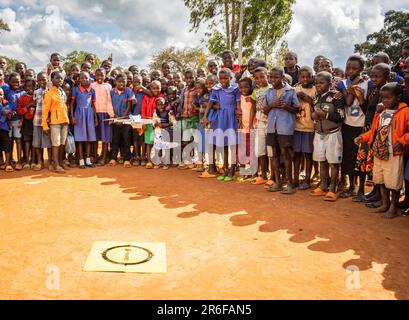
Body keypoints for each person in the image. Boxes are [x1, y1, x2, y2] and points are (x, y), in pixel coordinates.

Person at [355, 83, 409, 218]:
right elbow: (374, 131)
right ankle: (385, 203)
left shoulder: (405, 112)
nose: (384, 101)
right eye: (382, 98)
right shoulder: (381, 113)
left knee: (394, 182)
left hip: (393, 153)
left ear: (398, 97)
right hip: (378, 152)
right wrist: (362, 137)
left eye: (388, 98)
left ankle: (393, 207)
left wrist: (402, 141)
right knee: (381, 180)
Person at [355, 63, 391, 205]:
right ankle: (375, 193)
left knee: (378, 164)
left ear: (387, 77)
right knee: (368, 163)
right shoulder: (374, 90)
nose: (374, 79)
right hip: (369, 130)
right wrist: (360, 99)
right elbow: (369, 110)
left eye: (377, 76)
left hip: (379, 133)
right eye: (372, 76)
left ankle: (380, 196)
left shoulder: (386, 92)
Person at [263, 67, 300, 194]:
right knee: (274, 155)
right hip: (272, 127)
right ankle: (278, 182)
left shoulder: (291, 91)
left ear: (282, 77)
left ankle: (290, 183)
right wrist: (272, 105)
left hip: (285, 128)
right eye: (271, 77)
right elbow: (265, 110)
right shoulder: (268, 92)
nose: (272, 79)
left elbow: (297, 109)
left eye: (276, 77)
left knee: (286, 154)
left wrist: (287, 107)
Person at [310, 71, 345, 201]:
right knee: (322, 161)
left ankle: (333, 189)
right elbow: (315, 115)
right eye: (316, 83)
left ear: (330, 83)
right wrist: (314, 117)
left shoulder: (336, 96)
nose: (318, 85)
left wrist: (324, 115)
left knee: (334, 162)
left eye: (321, 83)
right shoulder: (317, 97)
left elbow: (341, 117)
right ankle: (323, 186)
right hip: (319, 133)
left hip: (333, 133)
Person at [337, 54, 368, 198]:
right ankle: (349, 186)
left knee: (359, 157)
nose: (350, 71)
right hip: (347, 125)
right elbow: (348, 102)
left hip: (361, 126)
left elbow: (366, 105)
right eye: (348, 68)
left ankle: (360, 188)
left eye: (354, 68)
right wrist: (351, 85)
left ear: (361, 68)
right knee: (347, 156)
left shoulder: (368, 84)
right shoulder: (342, 83)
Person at [204, 68, 240, 182]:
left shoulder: (235, 88)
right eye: (221, 78)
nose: (224, 80)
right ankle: (225, 169)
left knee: (233, 144)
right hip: (220, 118)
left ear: (230, 78)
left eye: (226, 78)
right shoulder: (216, 89)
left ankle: (233, 169)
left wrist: (239, 114)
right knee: (224, 144)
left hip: (232, 117)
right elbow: (210, 103)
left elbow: (238, 103)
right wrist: (205, 116)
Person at [293, 66, 317, 190]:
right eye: (302, 77)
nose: (305, 79)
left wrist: (306, 98)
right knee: (296, 155)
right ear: (298, 78)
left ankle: (307, 180)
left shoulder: (314, 90)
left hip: (309, 128)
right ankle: (295, 179)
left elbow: (317, 104)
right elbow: (291, 104)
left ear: (312, 77)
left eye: (308, 77)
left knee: (308, 155)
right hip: (296, 127)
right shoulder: (295, 88)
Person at [42, 71, 70, 173]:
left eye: (61, 78)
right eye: (57, 78)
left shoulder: (62, 92)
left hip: (65, 122)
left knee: (62, 143)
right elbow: (45, 111)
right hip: (55, 123)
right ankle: (56, 165)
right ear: (52, 79)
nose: (60, 80)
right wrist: (45, 125)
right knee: (56, 144)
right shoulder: (49, 93)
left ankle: (61, 162)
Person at [250, 67, 272, 185]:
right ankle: (263, 175)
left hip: (271, 123)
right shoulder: (255, 91)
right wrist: (250, 123)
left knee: (271, 151)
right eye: (256, 78)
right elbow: (253, 108)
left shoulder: (272, 89)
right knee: (260, 150)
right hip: (259, 123)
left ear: (267, 75)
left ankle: (273, 176)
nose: (259, 80)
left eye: (262, 77)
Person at [109, 73, 135, 168]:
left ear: (126, 82)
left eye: (123, 82)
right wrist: (116, 117)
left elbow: (129, 105)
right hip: (115, 119)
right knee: (115, 139)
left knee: (126, 139)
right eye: (119, 82)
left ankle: (127, 159)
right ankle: (113, 158)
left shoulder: (129, 91)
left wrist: (123, 118)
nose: (121, 84)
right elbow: (110, 104)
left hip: (126, 119)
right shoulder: (112, 91)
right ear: (116, 82)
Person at [91, 68, 114, 166]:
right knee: (95, 138)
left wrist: (111, 115)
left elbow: (109, 101)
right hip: (95, 114)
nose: (100, 77)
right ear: (95, 75)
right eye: (98, 75)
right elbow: (91, 101)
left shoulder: (108, 86)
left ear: (105, 76)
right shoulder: (92, 86)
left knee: (105, 139)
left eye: (102, 75)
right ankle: (95, 157)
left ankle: (104, 158)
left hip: (106, 114)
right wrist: (93, 114)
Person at [4, 72, 25, 170]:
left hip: (18, 121)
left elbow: (24, 108)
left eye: (18, 81)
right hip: (8, 121)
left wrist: (22, 120)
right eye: (13, 82)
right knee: (10, 141)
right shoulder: (7, 91)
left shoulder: (23, 93)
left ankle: (19, 161)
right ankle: (10, 161)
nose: (16, 83)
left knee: (18, 140)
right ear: (9, 82)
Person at [141, 80, 164, 169]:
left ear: (161, 88)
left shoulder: (162, 97)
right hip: (148, 123)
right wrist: (144, 122)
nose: (155, 90)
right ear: (150, 89)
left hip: (158, 124)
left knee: (158, 142)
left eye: (158, 88)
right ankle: (149, 161)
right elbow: (143, 110)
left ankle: (157, 160)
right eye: (153, 88)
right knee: (148, 142)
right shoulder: (146, 97)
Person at [199, 74, 219, 178]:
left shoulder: (216, 92)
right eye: (207, 83)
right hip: (211, 118)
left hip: (215, 119)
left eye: (211, 83)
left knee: (212, 144)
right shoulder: (210, 93)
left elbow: (219, 105)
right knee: (211, 144)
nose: (208, 85)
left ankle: (211, 169)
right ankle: (212, 166)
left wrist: (210, 106)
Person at [178, 68, 198, 169]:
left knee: (194, 139)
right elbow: (181, 102)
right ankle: (187, 159)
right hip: (185, 117)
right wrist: (180, 109)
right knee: (186, 140)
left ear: (195, 78)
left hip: (194, 117)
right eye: (187, 78)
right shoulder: (184, 90)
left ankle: (195, 160)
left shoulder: (197, 89)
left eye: (191, 78)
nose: (189, 80)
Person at [237, 77, 256, 181]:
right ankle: (243, 171)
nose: (243, 89)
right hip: (243, 128)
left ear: (251, 87)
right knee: (242, 150)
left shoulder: (253, 97)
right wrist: (239, 122)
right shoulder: (240, 97)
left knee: (252, 150)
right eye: (241, 87)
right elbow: (239, 111)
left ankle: (253, 171)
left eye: (246, 87)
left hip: (252, 127)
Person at [32, 72, 52, 171]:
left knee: (48, 143)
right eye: (40, 80)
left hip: (48, 122)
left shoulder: (51, 92)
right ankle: (40, 161)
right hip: (37, 120)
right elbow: (35, 104)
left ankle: (49, 162)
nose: (42, 82)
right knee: (37, 143)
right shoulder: (36, 92)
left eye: (44, 79)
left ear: (48, 80)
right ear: (37, 81)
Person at [17, 78, 36, 169]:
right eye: (28, 86)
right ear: (25, 87)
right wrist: (27, 107)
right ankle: (27, 161)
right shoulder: (22, 97)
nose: (31, 88)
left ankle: (33, 161)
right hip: (26, 122)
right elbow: (19, 111)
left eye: (33, 86)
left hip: (35, 122)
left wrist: (34, 107)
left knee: (34, 142)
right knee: (27, 141)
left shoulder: (37, 96)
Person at [152, 97, 175, 169]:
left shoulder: (169, 113)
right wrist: (157, 124)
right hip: (158, 132)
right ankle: (158, 162)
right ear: (156, 105)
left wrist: (166, 125)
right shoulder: (155, 112)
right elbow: (153, 122)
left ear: (165, 105)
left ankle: (166, 163)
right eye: (158, 105)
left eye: (162, 104)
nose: (160, 106)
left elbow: (173, 122)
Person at [131, 75, 145, 166]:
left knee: (143, 139)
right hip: (134, 118)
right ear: (132, 83)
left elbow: (151, 94)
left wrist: (142, 88)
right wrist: (132, 104)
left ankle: (143, 156)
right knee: (135, 139)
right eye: (135, 82)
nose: (137, 84)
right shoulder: (131, 93)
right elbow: (129, 108)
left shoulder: (144, 93)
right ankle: (136, 156)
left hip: (143, 118)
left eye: (139, 82)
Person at [0, 88, 13, 172]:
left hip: (4, 129)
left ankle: (8, 163)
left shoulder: (7, 103)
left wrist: (6, 111)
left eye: (1, 94)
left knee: (7, 146)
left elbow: (7, 111)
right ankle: (1, 162)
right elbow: (5, 112)